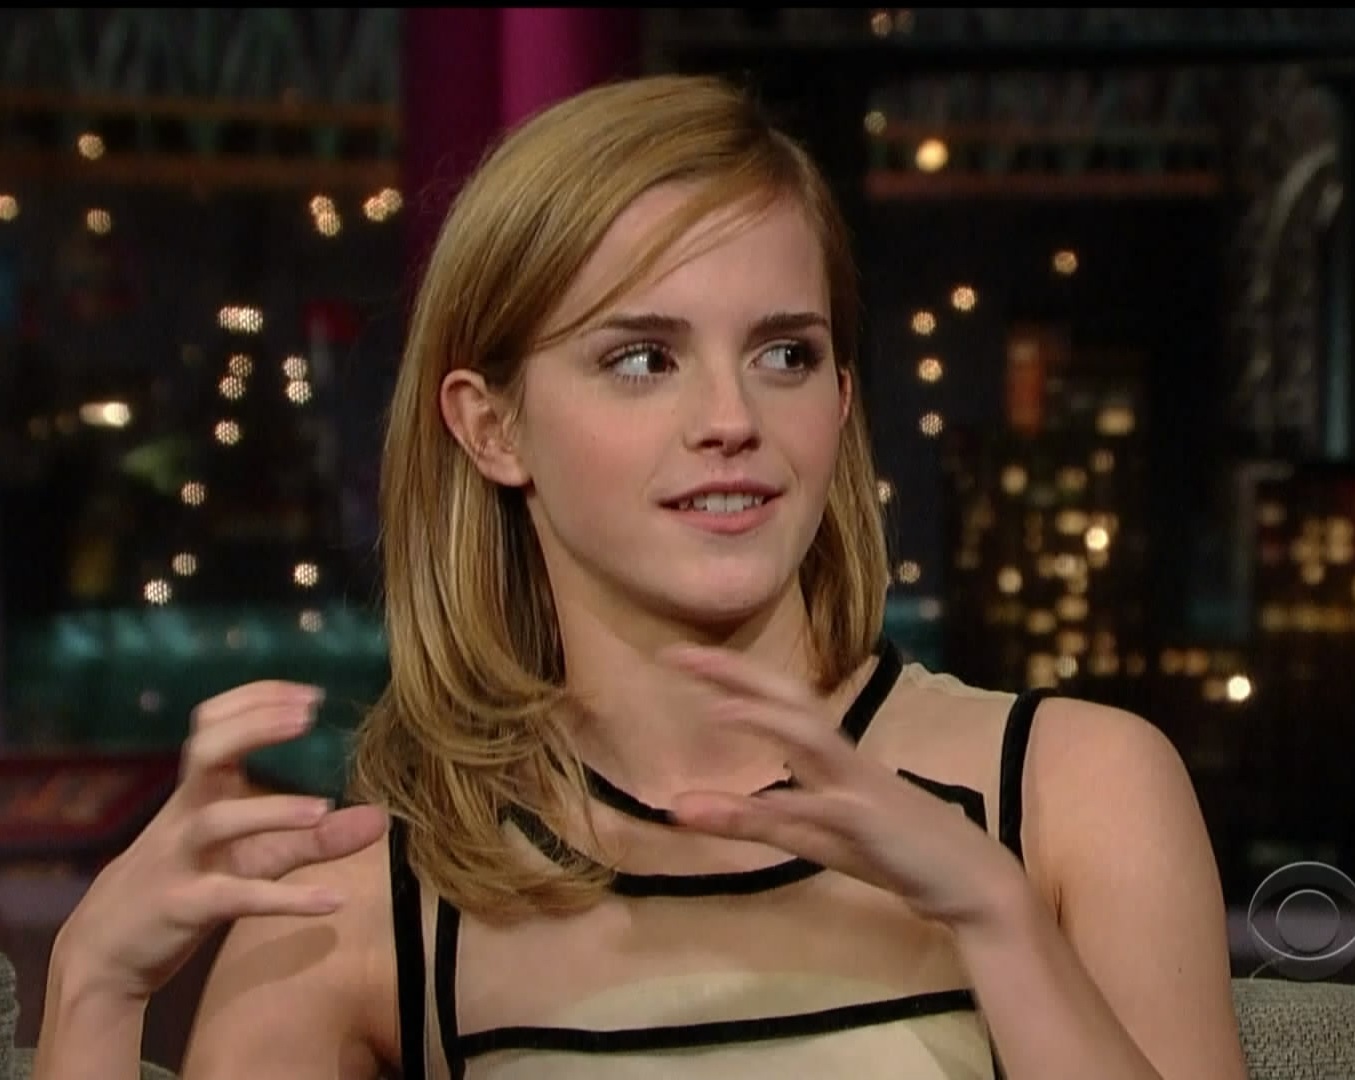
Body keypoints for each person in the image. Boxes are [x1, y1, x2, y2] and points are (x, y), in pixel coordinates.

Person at [34, 73, 1249, 1080]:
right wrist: (92, 989)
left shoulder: (1076, 792)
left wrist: (996, 919)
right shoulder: (361, 905)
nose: (731, 418)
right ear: (490, 427)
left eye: (783, 353)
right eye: (640, 359)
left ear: (839, 400)